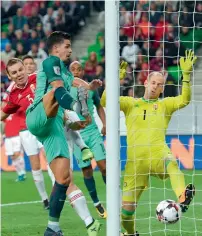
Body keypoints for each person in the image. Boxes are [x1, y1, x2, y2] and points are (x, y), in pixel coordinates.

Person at [101, 50, 197, 236]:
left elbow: (185, 100)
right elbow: (105, 100)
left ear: (162, 89)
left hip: (158, 154)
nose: (155, 87)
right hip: (135, 164)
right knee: (126, 214)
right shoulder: (130, 103)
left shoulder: (165, 105)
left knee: (172, 164)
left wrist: (185, 76)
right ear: (145, 83)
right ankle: (129, 234)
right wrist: (117, 79)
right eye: (153, 83)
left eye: (160, 85)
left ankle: (182, 196)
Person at [25, 31, 102, 236]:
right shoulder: (50, 62)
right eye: (67, 46)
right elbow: (59, 91)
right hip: (38, 115)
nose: (70, 49)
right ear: (56, 48)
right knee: (55, 92)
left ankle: (53, 227)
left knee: (63, 179)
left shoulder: (67, 74)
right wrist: (76, 105)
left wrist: (89, 88)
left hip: (53, 128)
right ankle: (83, 144)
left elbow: (76, 85)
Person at [1, 59, 50, 210]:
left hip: (45, 126)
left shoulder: (39, 77)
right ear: (9, 76)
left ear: (25, 68)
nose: (19, 74)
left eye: (20, 69)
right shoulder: (13, 93)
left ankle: (58, 193)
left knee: (51, 159)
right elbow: (3, 112)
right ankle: (45, 199)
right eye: (14, 72)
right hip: (26, 131)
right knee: (35, 165)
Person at [70, 61, 107, 218]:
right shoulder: (66, 88)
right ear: (69, 72)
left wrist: (105, 124)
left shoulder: (91, 89)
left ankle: (114, 196)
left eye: (79, 69)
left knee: (104, 166)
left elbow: (98, 106)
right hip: (76, 134)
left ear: (83, 71)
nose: (76, 71)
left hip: (92, 132)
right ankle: (97, 203)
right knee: (87, 170)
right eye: (73, 69)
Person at [2, 84, 26, 182]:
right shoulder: (4, 113)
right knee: (12, 156)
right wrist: (2, 134)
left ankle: (23, 173)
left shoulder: (17, 108)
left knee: (17, 154)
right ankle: (20, 173)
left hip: (17, 135)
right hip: (8, 136)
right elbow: (3, 124)